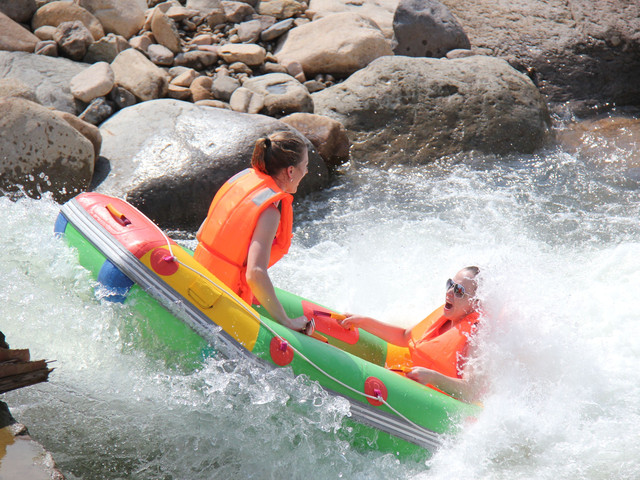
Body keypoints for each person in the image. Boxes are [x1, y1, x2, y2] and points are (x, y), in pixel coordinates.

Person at [195, 131, 313, 334]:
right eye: (305, 166)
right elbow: (255, 274)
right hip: (218, 301)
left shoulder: (242, 182)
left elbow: (200, 233)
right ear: (291, 171)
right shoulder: (269, 213)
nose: (307, 172)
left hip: (196, 277)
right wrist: (286, 321)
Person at [339, 266, 481, 399]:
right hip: (413, 388)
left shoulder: (475, 336)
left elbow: (471, 390)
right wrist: (363, 322)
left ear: (475, 303)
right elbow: (404, 337)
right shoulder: (445, 317)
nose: (449, 292)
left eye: (459, 291)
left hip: (436, 402)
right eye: (450, 284)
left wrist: (433, 377)